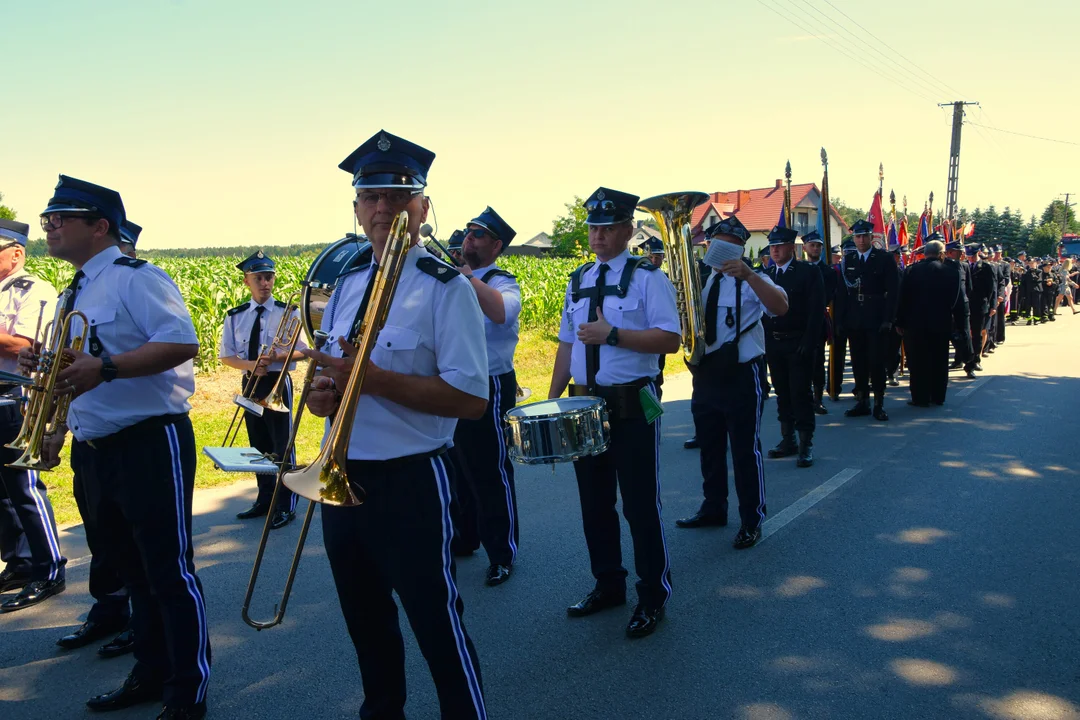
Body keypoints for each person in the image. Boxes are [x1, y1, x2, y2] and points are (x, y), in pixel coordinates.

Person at [301, 130, 489, 718]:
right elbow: (329, 381)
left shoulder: (445, 288)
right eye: (371, 196)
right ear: (357, 209)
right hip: (341, 479)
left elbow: (470, 401)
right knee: (367, 625)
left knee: (436, 622)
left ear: (423, 208)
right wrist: (323, 393)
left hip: (410, 481)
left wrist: (373, 379)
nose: (383, 208)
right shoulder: (347, 285)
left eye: (398, 195)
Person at [31, 175, 209, 719]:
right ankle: (150, 673)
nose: (50, 228)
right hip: (95, 447)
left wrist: (105, 367)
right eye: (47, 220)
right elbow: (76, 369)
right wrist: (55, 418)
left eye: (59, 219)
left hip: (148, 442)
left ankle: (187, 691)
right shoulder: (74, 289)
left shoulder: (136, 277)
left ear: (99, 226)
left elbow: (182, 342)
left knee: (168, 573)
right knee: (131, 574)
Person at [548, 186, 679, 638]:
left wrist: (613, 335)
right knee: (594, 505)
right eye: (593, 228)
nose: (598, 235)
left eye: (607, 227)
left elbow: (669, 340)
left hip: (631, 406)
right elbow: (567, 343)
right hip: (586, 407)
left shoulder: (648, 277)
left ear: (627, 229)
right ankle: (608, 584)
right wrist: (553, 402)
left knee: (640, 505)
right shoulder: (578, 278)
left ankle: (652, 595)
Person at [676, 216, 788, 549]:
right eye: (714, 243)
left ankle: (752, 519)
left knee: (743, 449)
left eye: (726, 244)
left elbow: (781, 307)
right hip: (706, 372)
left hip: (741, 373)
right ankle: (714, 508)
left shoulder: (755, 278)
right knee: (709, 448)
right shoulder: (704, 280)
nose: (718, 250)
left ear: (740, 247)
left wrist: (750, 275)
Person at [452, 206, 521, 587]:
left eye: (478, 235)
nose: (468, 239)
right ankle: (465, 537)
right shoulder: (452, 278)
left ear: (496, 245)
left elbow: (501, 314)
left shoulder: (502, 281)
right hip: (454, 382)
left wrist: (468, 280)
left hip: (490, 383)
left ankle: (502, 552)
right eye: (467, 232)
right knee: (457, 466)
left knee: (490, 469)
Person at [0, 219, 67, 612]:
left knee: (24, 489)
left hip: (14, 395)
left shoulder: (33, 288)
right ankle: (21, 561)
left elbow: (26, 343)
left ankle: (49, 568)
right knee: (1, 494)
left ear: (17, 253)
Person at [219, 251, 306, 529]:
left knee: (282, 446)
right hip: (251, 382)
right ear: (247, 281)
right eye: (258, 278)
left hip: (277, 383)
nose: (265, 283)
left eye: (269, 277)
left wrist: (279, 357)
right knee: (258, 446)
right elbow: (227, 356)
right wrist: (250, 364)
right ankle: (264, 499)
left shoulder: (288, 312)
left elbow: (303, 351)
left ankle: (285, 505)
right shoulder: (235, 316)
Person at [763, 226, 823, 468]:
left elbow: (817, 310)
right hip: (774, 343)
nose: (775, 250)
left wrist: (809, 342)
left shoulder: (807, 272)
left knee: (800, 393)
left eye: (780, 245)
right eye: (772, 246)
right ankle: (787, 439)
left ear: (791, 247)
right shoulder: (766, 275)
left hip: (798, 341)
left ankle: (805, 443)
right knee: (782, 393)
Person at [835, 219, 899, 421]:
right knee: (858, 361)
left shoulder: (884, 258)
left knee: (876, 362)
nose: (861, 240)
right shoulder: (849, 260)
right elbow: (842, 294)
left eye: (865, 236)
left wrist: (889, 319)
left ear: (872, 237)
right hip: (854, 319)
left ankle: (879, 403)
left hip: (876, 317)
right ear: (853, 238)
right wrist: (840, 320)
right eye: (857, 236)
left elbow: (894, 291)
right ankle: (862, 400)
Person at [895, 240, 967, 406]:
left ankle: (920, 397)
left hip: (915, 325)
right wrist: (961, 325)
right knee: (939, 360)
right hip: (941, 323)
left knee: (918, 361)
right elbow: (958, 302)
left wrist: (899, 321)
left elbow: (902, 299)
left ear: (925, 253)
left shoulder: (911, 271)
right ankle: (938, 396)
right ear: (942, 254)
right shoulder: (952, 272)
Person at [801, 231, 835, 415]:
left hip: (817, 320)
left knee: (817, 361)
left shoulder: (827, 271)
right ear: (804, 247)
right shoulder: (798, 268)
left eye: (819, 246)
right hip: (798, 321)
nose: (816, 248)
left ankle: (818, 398)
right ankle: (802, 397)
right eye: (812, 245)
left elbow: (826, 296)